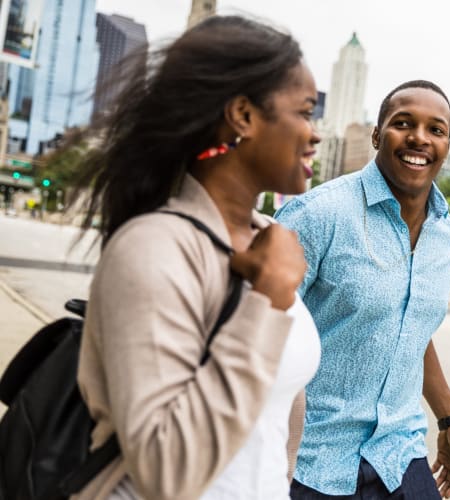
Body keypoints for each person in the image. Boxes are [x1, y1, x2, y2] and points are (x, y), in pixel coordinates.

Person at [72, 15, 321, 499]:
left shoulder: (272, 240)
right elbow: (166, 471)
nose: (315, 134)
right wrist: (267, 300)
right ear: (244, 116)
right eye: (306, 111)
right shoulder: (152, 247)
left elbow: (273, 421)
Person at [276, 80, 450, 499]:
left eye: (436, 129)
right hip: (312, 461)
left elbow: (409, 325)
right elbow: (257, 331)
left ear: (447, 144)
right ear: (378, 135)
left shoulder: (448, 237)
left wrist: (449, 417)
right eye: (404, 123)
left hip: (399, 455)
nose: (419, 137)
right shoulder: (317, 216)